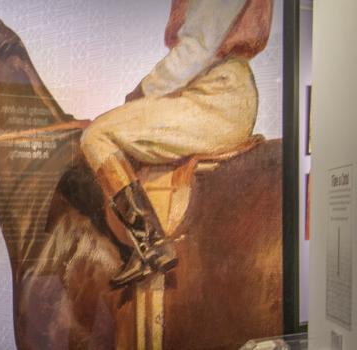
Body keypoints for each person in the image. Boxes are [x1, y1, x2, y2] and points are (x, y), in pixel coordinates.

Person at [79, 0, 272, 287]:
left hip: (214, 99)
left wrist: (141, 92)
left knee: (96, 136)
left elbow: (195, 51)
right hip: (210, 91)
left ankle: (150, 245)